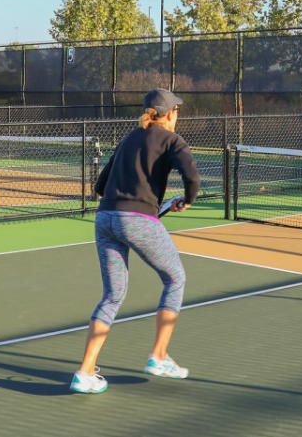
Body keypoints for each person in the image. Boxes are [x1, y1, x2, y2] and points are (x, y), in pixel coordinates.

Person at [71, 88, 202, 394]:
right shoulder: (172, 140)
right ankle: (158, 356)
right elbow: (192, 177)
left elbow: (101, 185)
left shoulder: (129, 138)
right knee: (175, 278)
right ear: (169, 114)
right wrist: (189, 200)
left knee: (113, 296)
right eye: (177, 111)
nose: (177, 115)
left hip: (105, 220)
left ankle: (85, 372)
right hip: (136, 221)